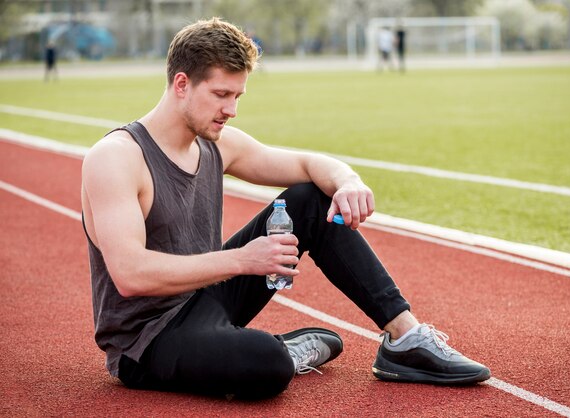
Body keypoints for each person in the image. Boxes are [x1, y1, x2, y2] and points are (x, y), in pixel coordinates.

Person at [81, 17, 490, 400]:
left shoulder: (218, 143)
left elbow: (309, 165)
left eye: (237, 96)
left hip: (202, 298)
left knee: (312, 197)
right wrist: (241, 260)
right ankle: (281, 351)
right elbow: (130, 275)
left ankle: (404, 339)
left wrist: (348, 181)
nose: (231, 110)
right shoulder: (117, 157)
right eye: (221, 94)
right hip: (147, 340)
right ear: (182, 84)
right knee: (268, 365)